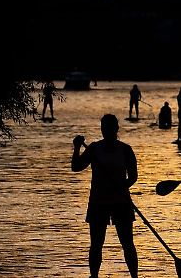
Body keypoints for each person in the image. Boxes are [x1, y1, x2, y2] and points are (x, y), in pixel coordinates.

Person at [72, 114, 139, 278]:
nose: (106, 131)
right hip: (98, 201)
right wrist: (76, 147)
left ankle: (134, 277)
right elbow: (76, 167)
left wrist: (122, 186)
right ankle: (93, 276)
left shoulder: (125, 149)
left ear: (116, 129)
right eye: (104, 128)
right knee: (96, 244)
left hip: (121, 200)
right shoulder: (94, 148)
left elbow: (133, 176)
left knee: (127, 243)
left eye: (109, 128)